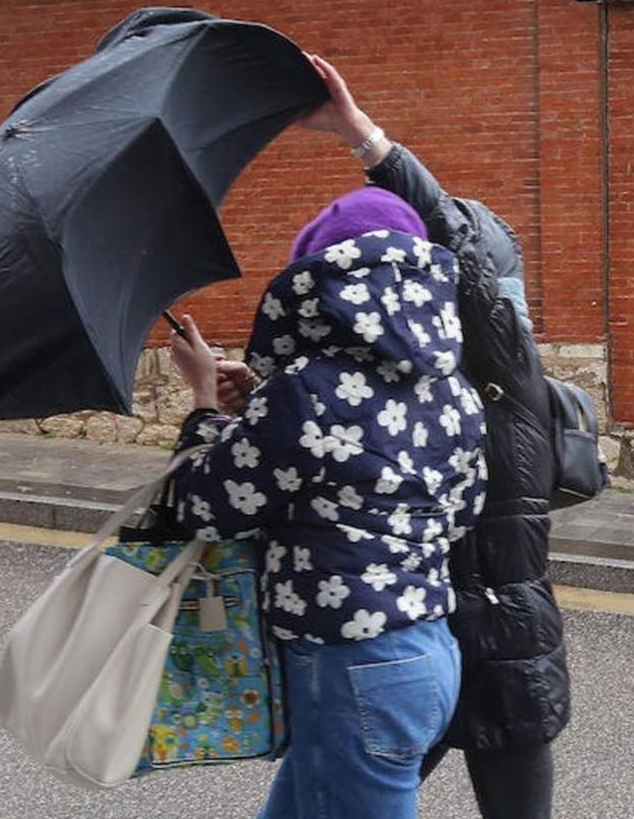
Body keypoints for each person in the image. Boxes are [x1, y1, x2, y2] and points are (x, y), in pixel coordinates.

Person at [216, 56, 570, 819]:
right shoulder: (438, 384)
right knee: (340, 788)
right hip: (426, 624)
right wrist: (265, 401)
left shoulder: (500, 363)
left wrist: (363, 136)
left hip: (482, 623)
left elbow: (228, 494)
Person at [167, 186, 489, 819]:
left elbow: (204, 506)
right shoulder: (452, 390)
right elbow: (460, 509)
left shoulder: (307, 391)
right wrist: (263, 399)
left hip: (351, 666)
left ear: (319, 288)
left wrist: (205, 398)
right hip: (427, 652)